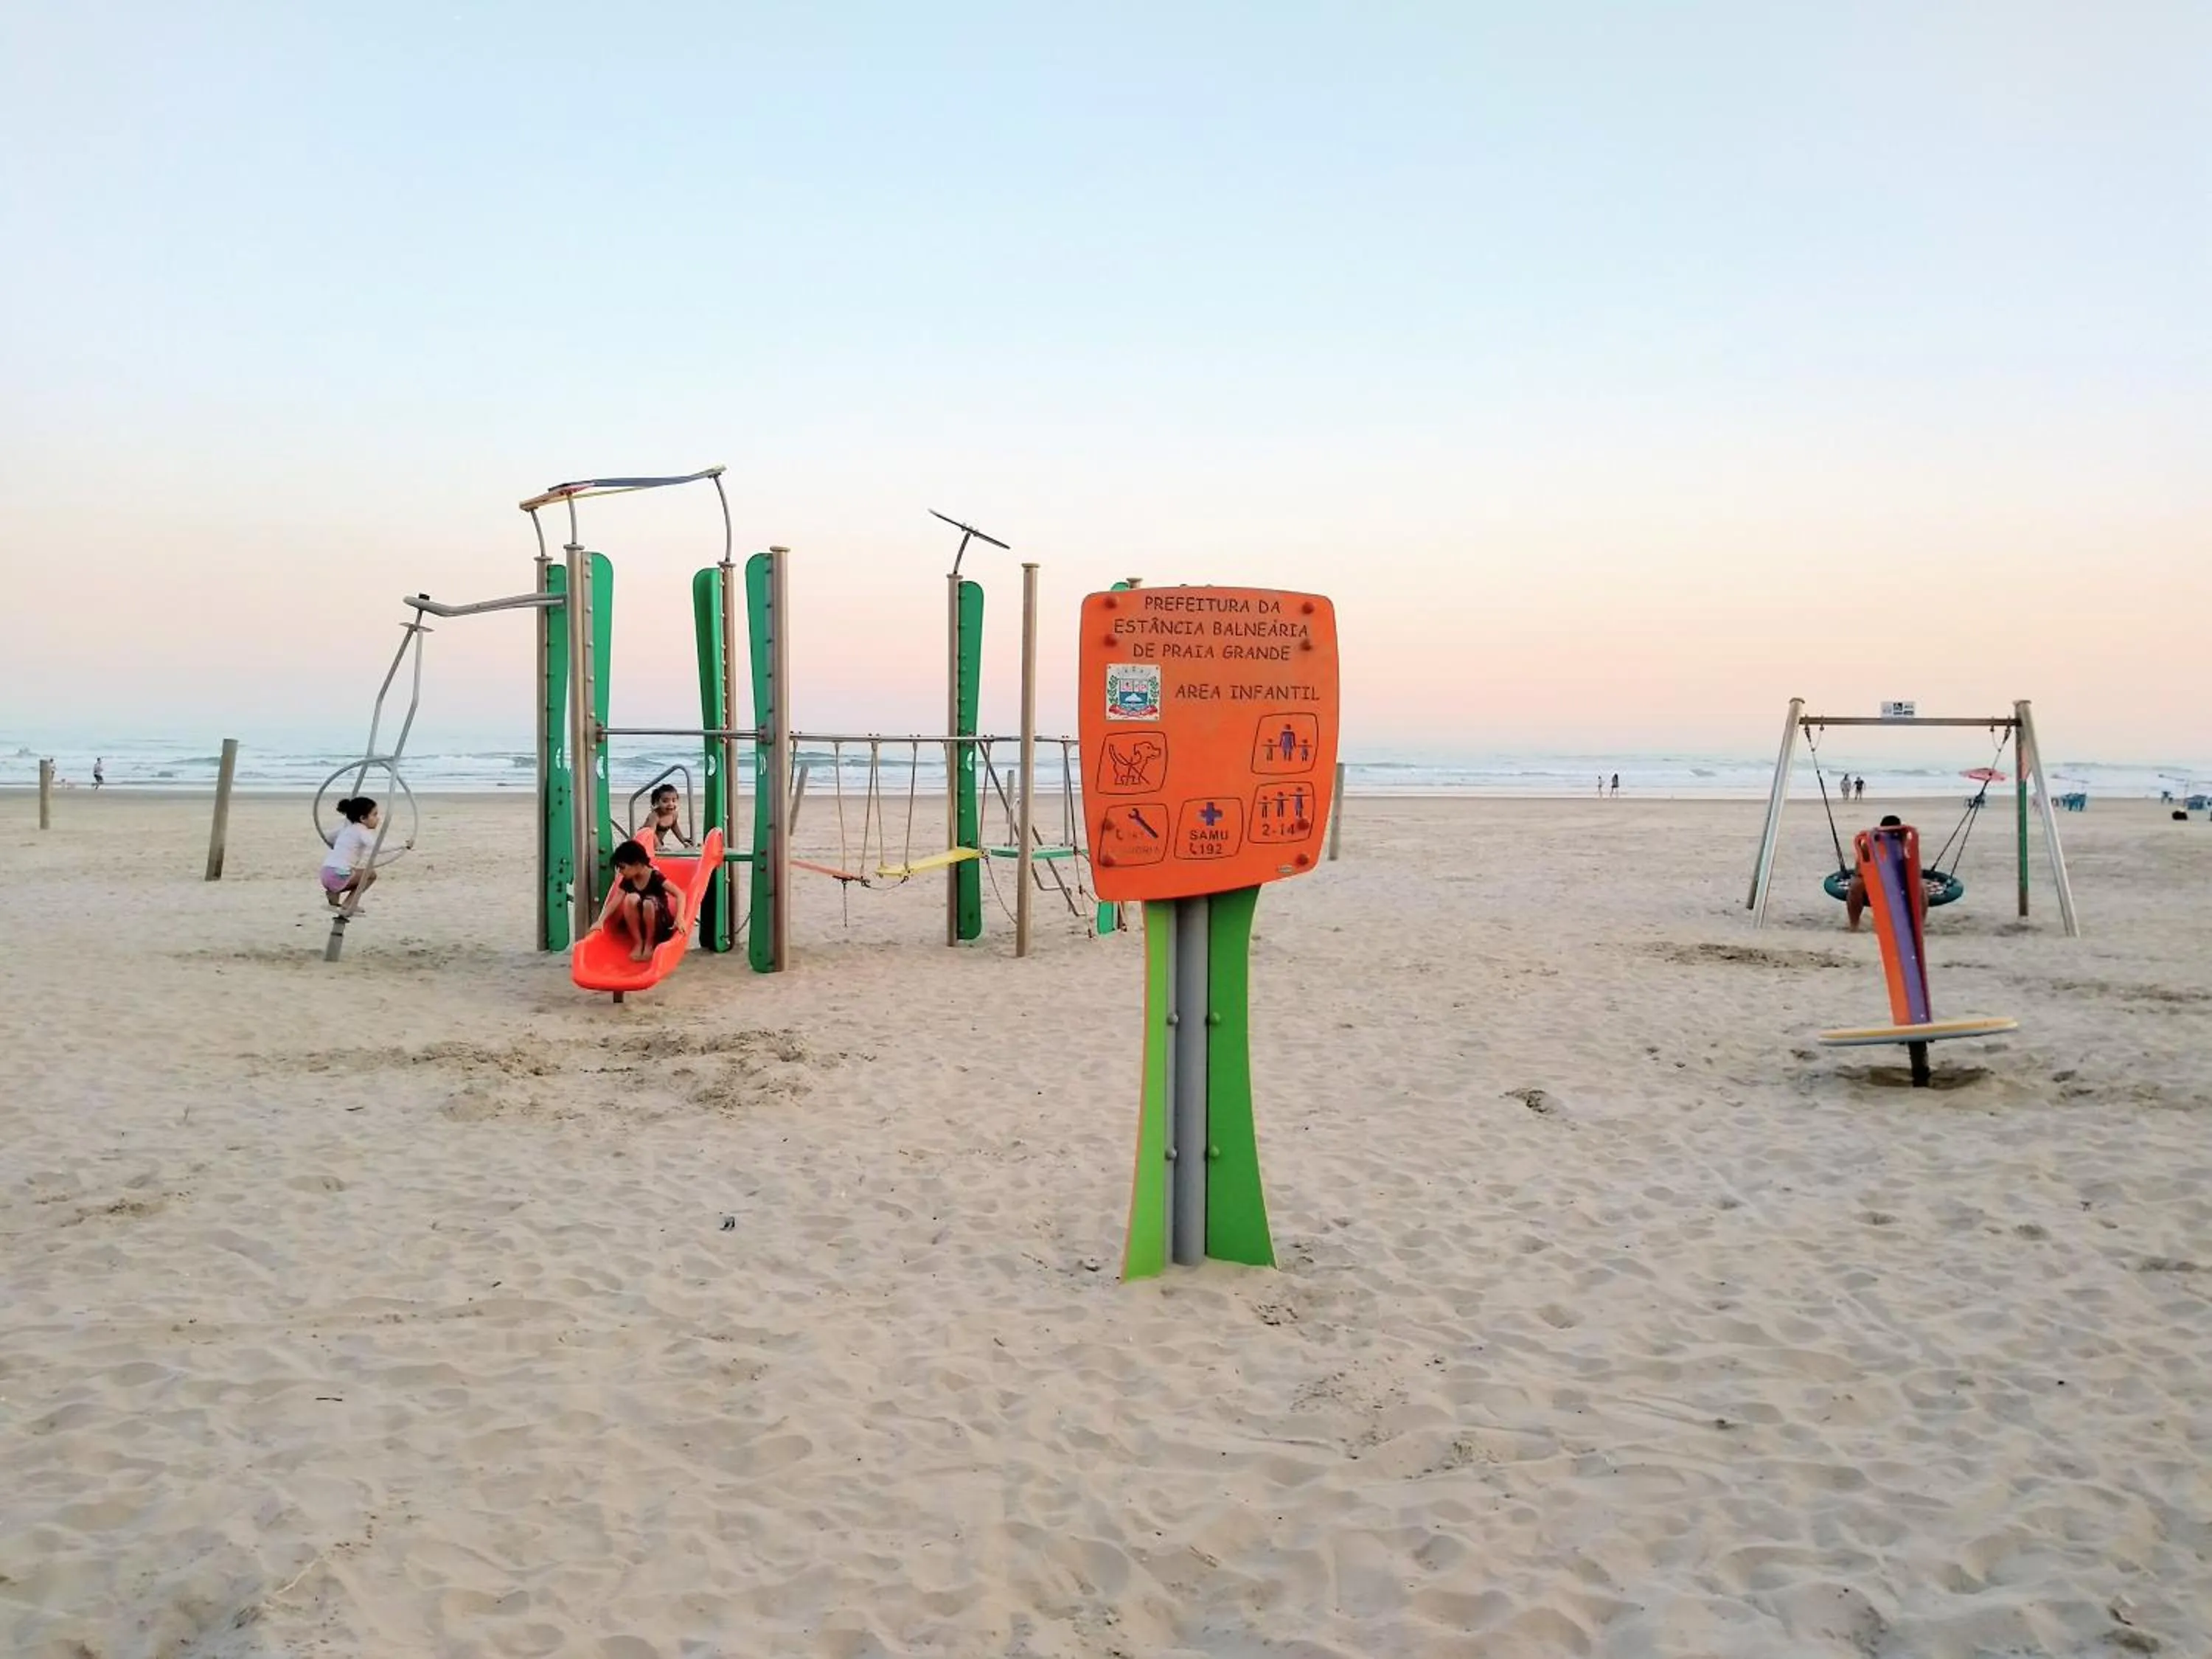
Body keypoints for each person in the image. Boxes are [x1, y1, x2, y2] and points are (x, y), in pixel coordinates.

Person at [597, 839, 681, 961]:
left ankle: (649, 943)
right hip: (640, 921)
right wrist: (600, 921)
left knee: (649, 902)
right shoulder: (629, 879)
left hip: (658, 922)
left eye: (622, 867)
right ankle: (638, 942)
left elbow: (680, 894)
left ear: (637, 864)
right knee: (630, 898)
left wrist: (680, 918)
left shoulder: (655, 876)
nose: (620, 871)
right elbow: (616, 900)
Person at [1845, 814, 1927, 933]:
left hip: (1900, 880)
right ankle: (1854, 924)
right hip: (1876, 879)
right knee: (1856, 885)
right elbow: (1859, 870)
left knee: (1921, 887)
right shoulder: (1869, 843)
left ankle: (1920, 926)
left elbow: (1916, 870)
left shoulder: (1906, 843)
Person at [321, 797, 383, 913]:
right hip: (338, 875)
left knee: (352, 871)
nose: (378, 819)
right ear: (363, 818)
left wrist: (341, 846)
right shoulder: (361, 831)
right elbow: (377, 847)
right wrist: (403, 845)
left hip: (326, 873)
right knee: (370, 874)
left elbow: (328, 837)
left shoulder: (346, 828)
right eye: (374, 815)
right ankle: (349, 903)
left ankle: (334, 894)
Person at [633, 783, 690, 853]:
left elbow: (675, 826)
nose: (671, 804)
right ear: (657, 802)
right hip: (644, 844)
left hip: (657, 843)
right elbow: (651, 833)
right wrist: (658, 845)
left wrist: (683, 840)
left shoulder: (674, 814)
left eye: (674, 800)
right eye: (665, 801)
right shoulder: (655, 816)